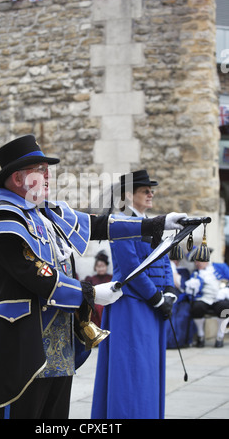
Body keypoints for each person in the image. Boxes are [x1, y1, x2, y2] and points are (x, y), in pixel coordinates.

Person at [0, 136, 186, 419]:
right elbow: (36, 275)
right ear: (17, 178)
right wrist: (91, 293)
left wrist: (157, 223)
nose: (48, 176)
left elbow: (100, 224)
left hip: (62, 338)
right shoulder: (2, 221)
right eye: (40, 169)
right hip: (25, 342)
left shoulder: (49, 212)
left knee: (55, 417)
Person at [91, 170, 177, 419]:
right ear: (129, 195)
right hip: (130, 307)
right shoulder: (120, 223)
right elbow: (130, 268)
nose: (151, 193)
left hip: (153, 307)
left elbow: (164, 260)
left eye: (151, 190)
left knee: (149, 370)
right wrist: (157, 298)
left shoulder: (152, 222)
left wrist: (170, 292)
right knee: (131, 371)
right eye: (144, 190)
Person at [185, 253, 229, 348]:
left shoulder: (220, 267)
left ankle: (219, 336)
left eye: (198, 260)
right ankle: (201, 335)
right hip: (204, 298)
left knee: (224, 307)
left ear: (205, 260)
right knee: (197, 307)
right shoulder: (195, 274)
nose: (196, 263)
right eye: (195, 261)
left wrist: (225, 290)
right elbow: (191, 291)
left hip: (219, 298)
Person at [84, 251, 112, 327]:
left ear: (106, 266)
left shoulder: (111, 279)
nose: (101, 269)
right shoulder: (91, 280)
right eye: (98, 267)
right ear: (95, 268)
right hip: (95, 307)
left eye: (103, 266)